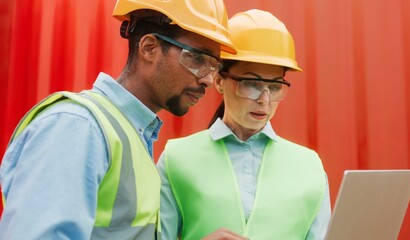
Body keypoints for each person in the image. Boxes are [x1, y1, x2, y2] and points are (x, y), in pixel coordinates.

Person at [0, 0, 237, 239]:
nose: (207, 79)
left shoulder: (131, 134)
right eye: (197, 60)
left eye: (213, 66)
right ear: (149, 48)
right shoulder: (79, 126)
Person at [157, 9, 331, 240]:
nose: (264, 100)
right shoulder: (176, 159)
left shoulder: (309, 166)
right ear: (219, 81)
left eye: (276, 86)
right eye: (251, 83)